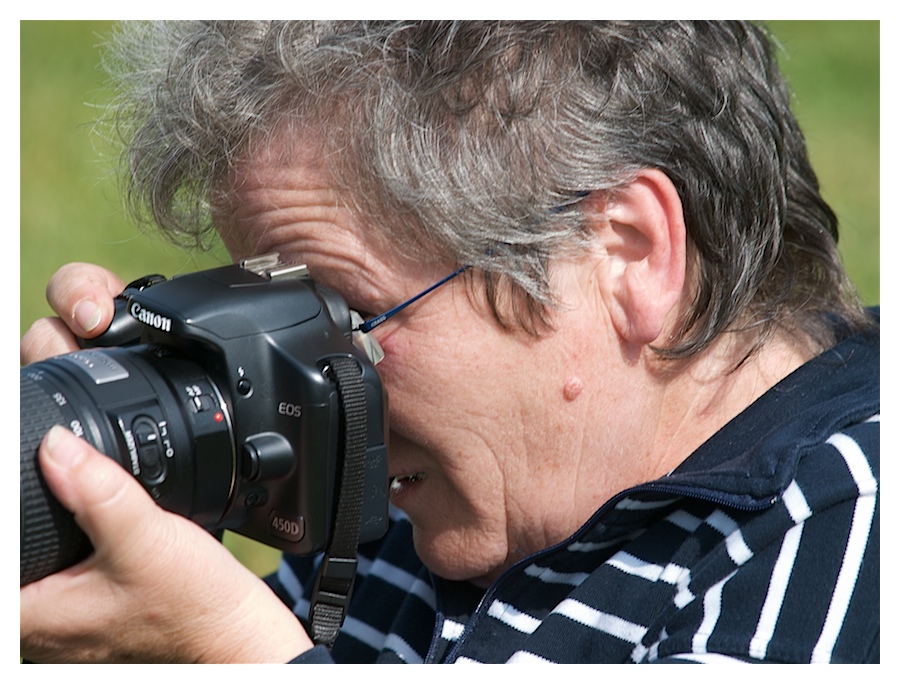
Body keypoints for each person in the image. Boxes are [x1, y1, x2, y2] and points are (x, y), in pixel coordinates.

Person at [20, 20, 879, 663]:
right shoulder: (409, 506)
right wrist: (106, 520)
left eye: (342, 311)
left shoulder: (847, 533)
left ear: (626, 254)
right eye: (261, 305)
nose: (299, 366)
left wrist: (226, 650)